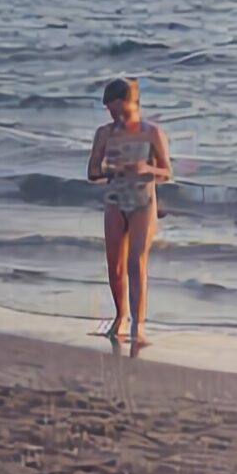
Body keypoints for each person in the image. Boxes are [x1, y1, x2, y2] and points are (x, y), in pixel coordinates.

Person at [86, 75, 172, 344]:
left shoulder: (151, 132)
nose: (113, 115)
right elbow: (92, 172)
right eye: (110, 111)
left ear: (131, 104)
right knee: (115, 266)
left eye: (117, 109)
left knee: (137, 263)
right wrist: (113, 169)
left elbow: (167, 172)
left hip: (142, 202)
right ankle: (120, 316)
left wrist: (146, 168)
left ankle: (138, 326)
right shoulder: (104, 133)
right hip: (114, 199)